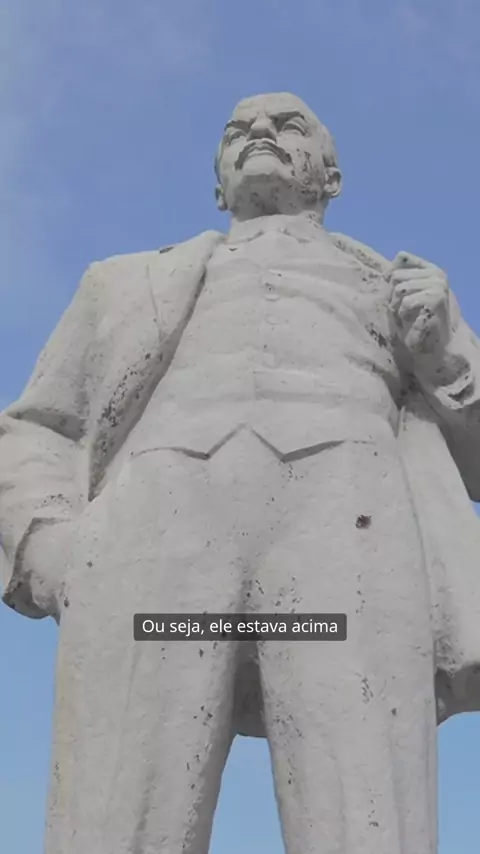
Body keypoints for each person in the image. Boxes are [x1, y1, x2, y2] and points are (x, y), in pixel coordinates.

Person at [2, 92, 480, 854]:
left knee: (367, 810)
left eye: (288, 126)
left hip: (349, 524)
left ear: (330, 176)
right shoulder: (123, 284)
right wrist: (48, 546)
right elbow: (38, 424)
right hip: (154, 527)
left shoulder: (401, 295)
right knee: (115, 811)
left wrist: (447, 349)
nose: (259, 131)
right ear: (218, 185)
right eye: (237, 130)